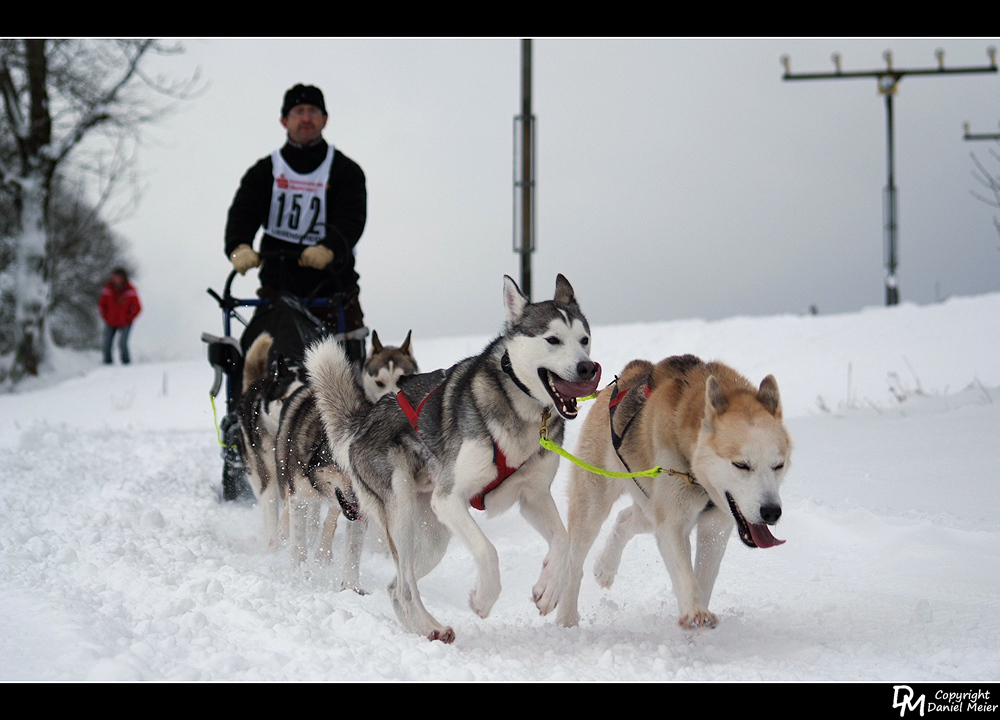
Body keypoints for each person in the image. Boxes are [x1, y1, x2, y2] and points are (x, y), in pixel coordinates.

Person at [224, 83, 368, 365]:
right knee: (257, 365)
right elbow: (243, 211)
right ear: (284, 121)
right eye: (298, 111)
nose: (305, 118)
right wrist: (238, 246)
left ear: (324, 119)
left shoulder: (345, 171)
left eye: (313, 111)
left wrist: (329, 248)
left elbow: (352, 217)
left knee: (352, 368)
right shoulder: (265, 172)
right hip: (278, 289)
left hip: (334, 290)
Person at [98, 267, 142, 365]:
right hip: (110, 322)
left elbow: (138, 307)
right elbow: (102, 304)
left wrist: (129, 318)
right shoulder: (107, 289)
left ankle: (126, 362)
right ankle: (107, 363)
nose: (115, 279)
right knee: (107, 343)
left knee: (122, 343)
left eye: (118, 277)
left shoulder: (130, 290)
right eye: (114, 277)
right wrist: (106, 317)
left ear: (123, 278)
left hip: (125, 322)